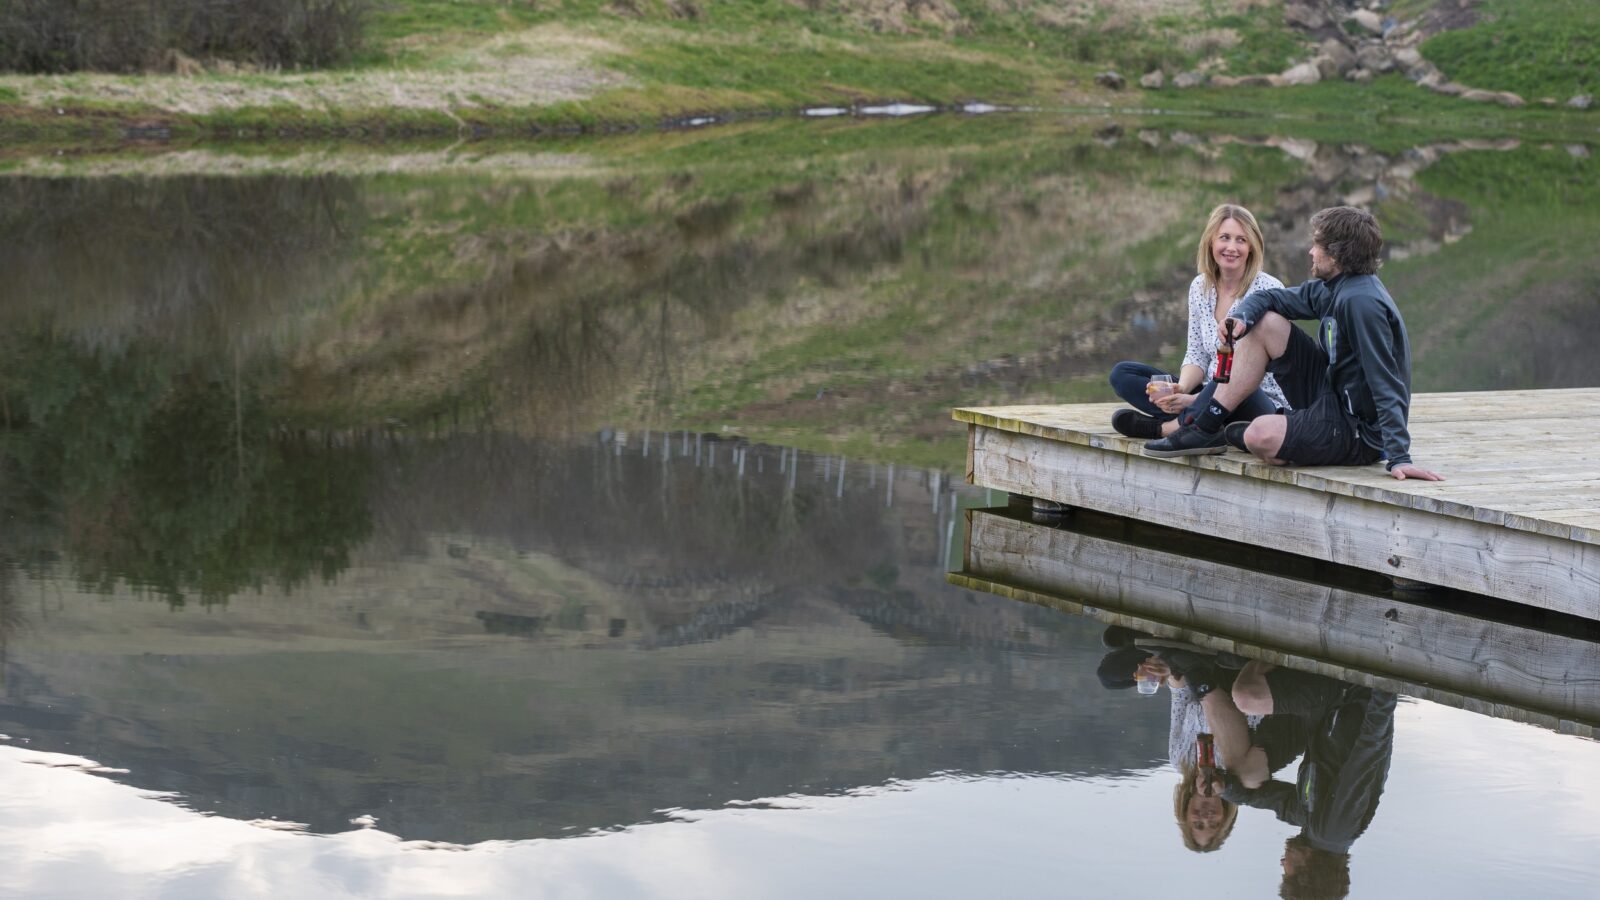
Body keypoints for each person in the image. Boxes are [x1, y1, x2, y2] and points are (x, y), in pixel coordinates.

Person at [1142, 206, 1444, 482]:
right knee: (1265, 322)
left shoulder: (1361, 303)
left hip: (1357, 430)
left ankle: (1263, 431)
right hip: (1329, 395)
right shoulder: (1335, 288)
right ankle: (1206, 427)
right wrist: (1243, 318)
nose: (1311, 252)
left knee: (1260, 435)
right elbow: (1270, 298)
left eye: (1317, 245)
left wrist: (1399, 456)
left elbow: (1386, 382)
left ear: (1336, 254)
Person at [1215, 662, 1398, 900]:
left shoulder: (1315, 829)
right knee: (1247, 696)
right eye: (1286, 874)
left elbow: (1269, 799)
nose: (1282, 863)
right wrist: (1384, 688)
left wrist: (1226, 789)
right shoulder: (1334, 831)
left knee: (1245, 773)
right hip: (1352, 695)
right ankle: (1271, 648)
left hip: (1331, 702)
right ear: (1306, 874)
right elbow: (1368, 753)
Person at [1108, 203, 1290, 440]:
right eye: (1224, 237)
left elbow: (1251, 376)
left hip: (1256, 400)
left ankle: (1165, 429)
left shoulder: (1270, 289)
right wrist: (1180, 389)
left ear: (1253, 247)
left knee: (1228, 381)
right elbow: (1196, 354)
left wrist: (1193, 400)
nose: (1231, 248)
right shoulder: (1200, 287)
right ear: (1211, 241)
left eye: (1241, 240)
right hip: (1207, 392)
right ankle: (1202, 422)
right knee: (1123, 374)